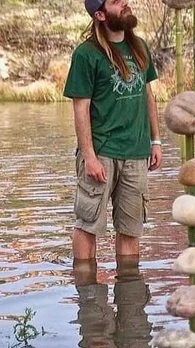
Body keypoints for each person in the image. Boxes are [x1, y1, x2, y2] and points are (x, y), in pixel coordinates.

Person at [64, 0, 163, 261]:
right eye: (116, 2)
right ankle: (87, 293)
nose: (125, 3)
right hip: (102, 152)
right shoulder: (86, 54)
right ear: (100, 14)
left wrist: (156, 141)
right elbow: (80, 109)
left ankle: (129, 294)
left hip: (136, 152)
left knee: (131, 230)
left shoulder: (139, 46)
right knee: (88, 226)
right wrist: (89, 156)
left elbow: (148, 95)